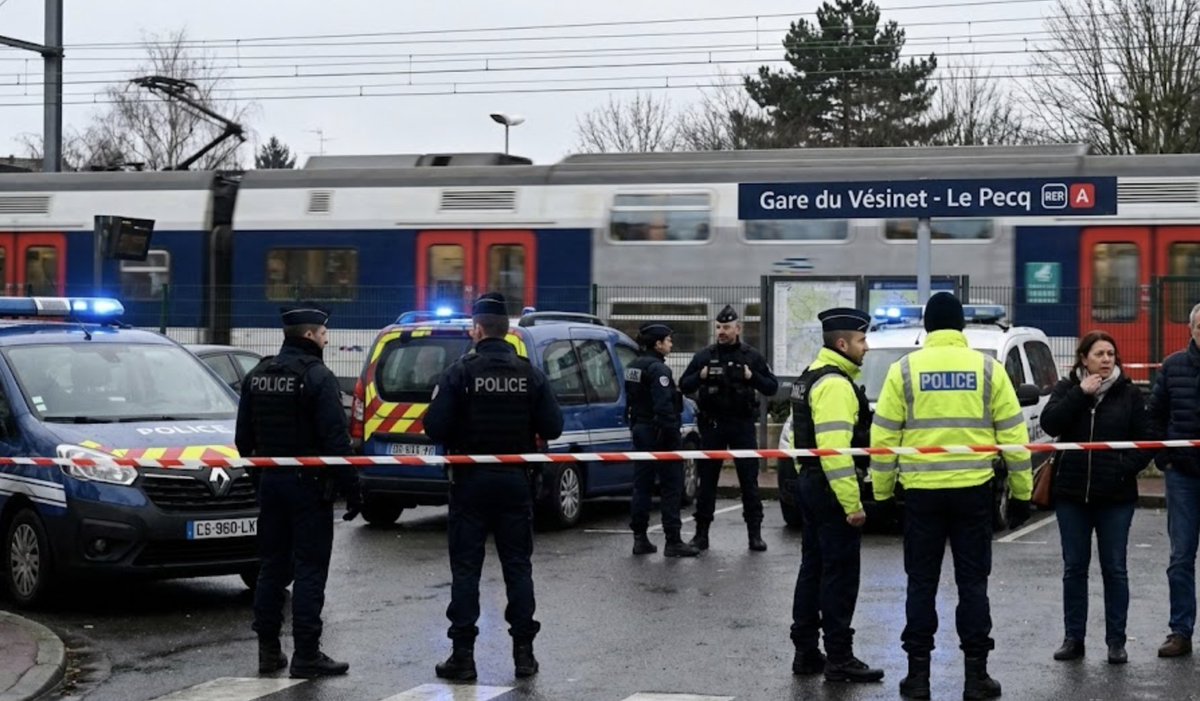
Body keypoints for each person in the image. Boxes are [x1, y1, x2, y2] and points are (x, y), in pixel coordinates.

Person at [870, 292, 1033, 701]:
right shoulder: (987, 368)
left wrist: (883, 492)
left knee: (921, 585)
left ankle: (918, 677)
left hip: (922, 496)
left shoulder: (903, 370)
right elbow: (1014, 435)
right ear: (961, 327)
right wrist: (1021, 493)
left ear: (927, 327)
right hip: (973, 493)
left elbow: (884, 438)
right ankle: (976, 676)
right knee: (973, 585)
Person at [423, 292, 564, 681]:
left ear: (478, 330)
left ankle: (463, 657)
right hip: (516, 483)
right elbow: (553, 427)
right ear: (507, 331)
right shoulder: (529, 373)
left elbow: (434, 427)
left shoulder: (460, 372)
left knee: (466, 570)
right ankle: (524, 655)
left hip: (470, 484)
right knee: (518, 568)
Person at [236, 301, 359, 679]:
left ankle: (268, 652)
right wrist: (353, 491)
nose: (326, 339)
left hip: (271, 484)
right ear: (310, 335)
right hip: (309, 487)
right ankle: (307, 653)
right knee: (309, 569)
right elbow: (336, 443)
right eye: (323, 334)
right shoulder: (318, 377)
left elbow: (244, 441)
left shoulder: (257, 375)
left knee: (272, 566)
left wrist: (264, 479)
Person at [1040, 331, 1149, 664]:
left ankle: (1116, 641)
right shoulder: (1067, 388)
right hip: (1072, 495)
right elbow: (1050, 423)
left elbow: (1144, 442)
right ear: (1083, 358)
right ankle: (1074, 638)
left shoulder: (1129, 394)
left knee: (1115, 569)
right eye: (1099, 354)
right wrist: (1079, 394)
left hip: (1115, 497)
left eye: (1111, 354)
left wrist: (1121, 468)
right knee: (1075, 568)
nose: (1106, 359)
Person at [789, 307, 884, 683]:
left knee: (812, 570)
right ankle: (840, 658)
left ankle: (807, 652)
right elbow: (834, 451)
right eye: (862, 340)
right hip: (831, 489)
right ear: (842, 343)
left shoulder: (811, 376)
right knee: (839, 576)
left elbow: (804, 447)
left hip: (812, 486)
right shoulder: (834, 385)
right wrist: (852, 505)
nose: (867, 347)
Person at [680, 304, 779, 551]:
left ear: (738, 328)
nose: (722, 331)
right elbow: (684, 384)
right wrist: (700, 376)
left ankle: (754, 534)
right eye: (719, 327)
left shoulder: (751, 356)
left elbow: (771, 387)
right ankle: (701, 534)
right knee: (708, 482)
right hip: (713, 424)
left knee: (749, 481)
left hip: (741, 425)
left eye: (726, 327)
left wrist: (751, 377)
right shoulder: (705, 355)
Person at [1147, 301, 1200, 659]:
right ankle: (1180, 631)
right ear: (1192, 330)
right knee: (1181, 556)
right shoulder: (1172, 366)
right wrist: (1164, 459)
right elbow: (1155, 415)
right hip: (1183, 475)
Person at [625, 322, 700, 558]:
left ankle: (639, 538)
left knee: (642, 485)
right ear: (657, 344)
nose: (671, 343)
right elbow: (664, 407)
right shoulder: (659, 370)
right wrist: (671, 436)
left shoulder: (633, 366)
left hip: (640, 428)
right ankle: (673, 540)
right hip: (660, 434)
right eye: (668, 340)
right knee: (671, 486)